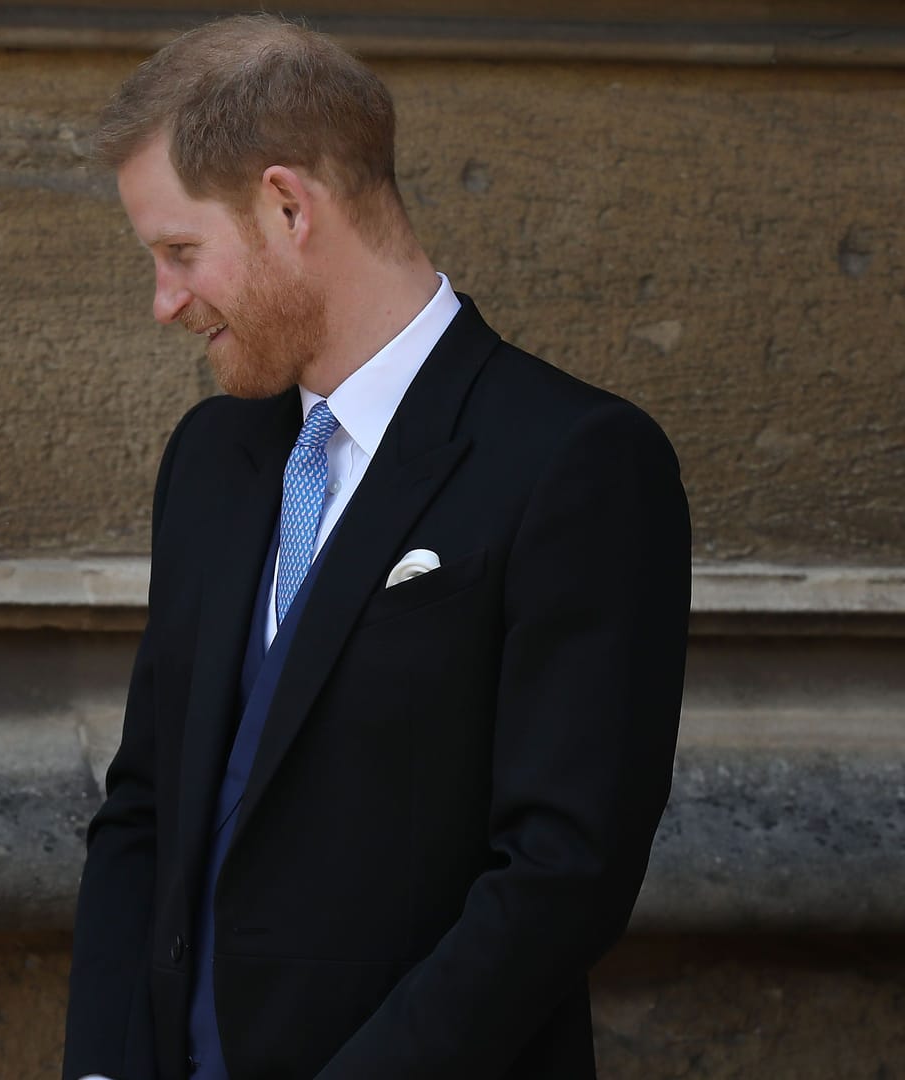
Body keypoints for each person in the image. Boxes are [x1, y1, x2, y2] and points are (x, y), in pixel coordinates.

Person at [63, 15, 689, 1080]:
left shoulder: (576, 461)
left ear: (288, 205)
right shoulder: (212, 457)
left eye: (180, 253)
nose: (165, 303)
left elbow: (560, 874)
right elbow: (146, 810)